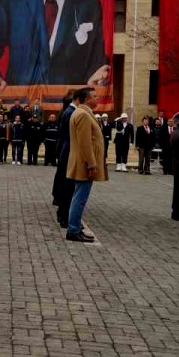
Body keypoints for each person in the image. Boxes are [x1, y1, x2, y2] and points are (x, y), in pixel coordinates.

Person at [65, 87, 105, 242]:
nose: (97, 99)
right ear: (87, 99)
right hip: (83, 163)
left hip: (83, 162)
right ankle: (73, 229)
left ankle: (75, 227)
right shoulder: (82, 114)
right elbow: (85, 143)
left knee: (79, 196)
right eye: (95, 96)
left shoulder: (84, 113)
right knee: (79, 198)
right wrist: (91, 164)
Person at [51, 94, 76, 227]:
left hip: (62, 148)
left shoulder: (64, 112)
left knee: (61, 178)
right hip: (65, 150)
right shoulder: (68, 113)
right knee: (65, 181)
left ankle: (59, 201)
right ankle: (62, 210)